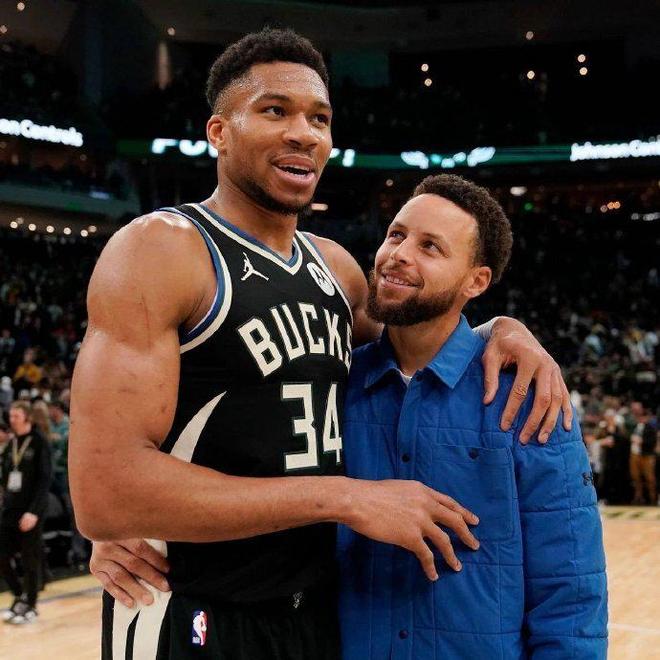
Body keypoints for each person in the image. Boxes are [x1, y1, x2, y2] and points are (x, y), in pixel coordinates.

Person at [70, 29, 571, 660]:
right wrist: (344, 498)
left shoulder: (337, 271)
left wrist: (501, 328)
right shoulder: (161, 250)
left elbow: (423, 344)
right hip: (190, 609)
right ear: (219, 132)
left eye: (319, 118)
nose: (303, 133)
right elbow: (106, 490)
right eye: (275, 110)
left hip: (317, 616)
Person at [338, 174, 608, 658]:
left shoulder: (529, 398)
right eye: (396, 234)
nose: (399, 254)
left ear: (476, 281)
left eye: (430, 247)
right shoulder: (337, 384)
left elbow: (570, 593)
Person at [0, 401, 52, 625]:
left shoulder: (39, 442)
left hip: (31, 511)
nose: (12, 420)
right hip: (10, 509)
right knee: (2, 555)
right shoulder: (12, 443)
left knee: (30, 559)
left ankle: (30, 604)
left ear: (27, 417)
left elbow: (44, 480)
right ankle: (20, 595)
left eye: (16, 416)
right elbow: (6, 476)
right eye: (11, 416)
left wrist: (34, 512)